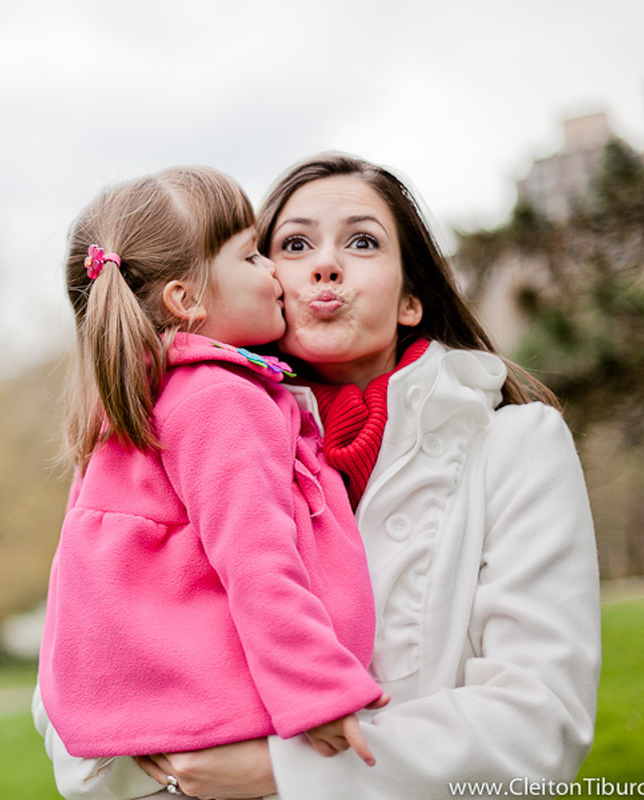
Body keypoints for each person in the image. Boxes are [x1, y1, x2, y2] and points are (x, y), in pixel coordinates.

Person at [34, 154, 601, 800]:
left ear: (411, 298)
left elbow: (539, 724)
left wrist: (286, 770)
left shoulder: (516, 447)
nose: (324, 265)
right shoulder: (179, 426)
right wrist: (173, 757)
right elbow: (81, 655)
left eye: (362, 242)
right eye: (293, 244)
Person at [39, 165, 389, 782]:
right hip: (235, 734)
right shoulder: (220, 400)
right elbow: (256, 557)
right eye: (251, 254)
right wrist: (319, 690)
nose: (274, 272)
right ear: (187, 300)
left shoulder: (136, 399)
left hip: (172, 732)